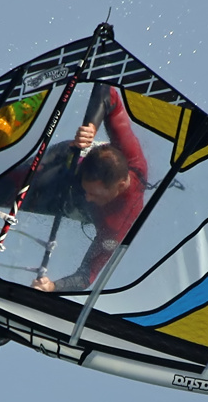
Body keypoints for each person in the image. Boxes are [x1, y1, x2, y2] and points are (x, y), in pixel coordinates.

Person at [31, 87, 148, 292]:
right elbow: (108, 91)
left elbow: (86, 276)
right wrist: (92, 127)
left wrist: (52, 287)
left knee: (2, 192)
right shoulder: (129, 152)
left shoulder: (120, 222)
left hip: (63, 202)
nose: (89, 197)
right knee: (11, 175)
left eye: (95, 194)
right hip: (67, 160)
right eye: (89, 191)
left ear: (120, 186)